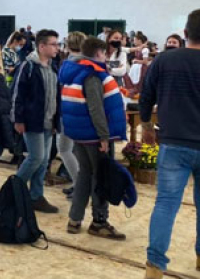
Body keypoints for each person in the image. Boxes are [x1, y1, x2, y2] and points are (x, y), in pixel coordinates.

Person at [140, 9, 200, 279]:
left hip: (173, 142)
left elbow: (146, 96)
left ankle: (154, 269)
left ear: (185, 34)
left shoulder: (164, 60)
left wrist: (146, 126)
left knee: (165, 205)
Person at [60, 37, 127, 240]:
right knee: (101, 177)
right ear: (99, 53)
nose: (106, 56)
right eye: (104, 53)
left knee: (84, 175)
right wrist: (104, 136)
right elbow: (96, 108)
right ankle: (99, 221)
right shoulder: (93, 75)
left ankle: (74, 219)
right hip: (94, 135)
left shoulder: (74, 71)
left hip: (79, 133)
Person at [11, 29, 61, 213]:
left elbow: (56, 95)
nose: (57, 48)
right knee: (36, 157)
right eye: (53, 44)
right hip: (32, 121)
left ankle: (35, 196)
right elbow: (17, 94)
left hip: (49, 121)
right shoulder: (28, 66)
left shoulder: (53, 67)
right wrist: (18, 119)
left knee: (44, 160)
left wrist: (56, 121)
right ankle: (13, 191)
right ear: (41, 46)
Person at [57, 32, 87, 199]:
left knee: (64, 149)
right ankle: (78, 184)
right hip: (82, 111)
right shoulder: (88, 63)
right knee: (75, 151)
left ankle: (80, 185)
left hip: (70, 110)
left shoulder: (68, 64)